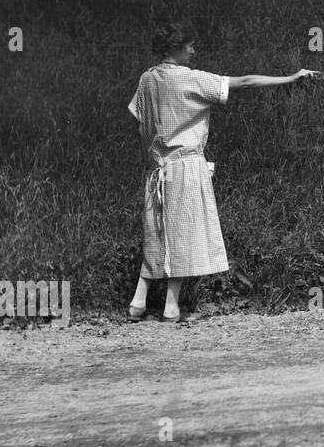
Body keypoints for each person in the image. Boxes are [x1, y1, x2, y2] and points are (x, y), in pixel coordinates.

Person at [127, 22, 311, 323]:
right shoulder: (192, 80)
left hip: (156, 168)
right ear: (176, 48)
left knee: (157, 233)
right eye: (190, 46)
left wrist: (154, 155)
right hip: (185, 166)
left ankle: (138, 301)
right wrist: (290, 78)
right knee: (183, 233)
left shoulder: (147, 79)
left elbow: (139, 123)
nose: (194, 51)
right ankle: (171, 306)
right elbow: (247, 82)